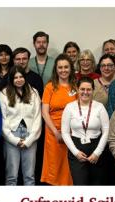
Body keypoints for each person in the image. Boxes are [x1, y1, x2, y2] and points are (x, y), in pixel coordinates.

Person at [62, 77, 109, 185]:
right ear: (77, 89)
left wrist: (97, 152)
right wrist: (75, 152)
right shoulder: (69, 107)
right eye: (82, 89)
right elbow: (65, 132)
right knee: (80, 184)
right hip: (77, 148)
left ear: (93, 90)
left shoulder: (100, 107)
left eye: (88, 89)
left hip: (96, 149)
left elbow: (106, 131)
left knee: (96, 184)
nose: (85, 92)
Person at [0, 67, 42, 186]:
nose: (19, 80)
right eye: (15, 77)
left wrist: (30, 140)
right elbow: (2, 119)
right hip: (11, 137)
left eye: (21, 77)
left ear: (25, 77)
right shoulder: (3, 94)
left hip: (30, 136)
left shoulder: (33, 92)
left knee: (29, 176)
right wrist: (14, 140)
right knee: (11, 176)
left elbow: (38, 117)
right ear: (11, 79)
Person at [40, 54, 77, 186]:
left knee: (69, 168)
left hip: (73, 132)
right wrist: (56, 132)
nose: (63, 70)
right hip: (53, 132)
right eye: (60, 67)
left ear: (71, 68)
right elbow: (44, 112)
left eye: (66, 67)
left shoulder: (76, 87)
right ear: (56, 69)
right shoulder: (50, 87)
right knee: (54, 168)